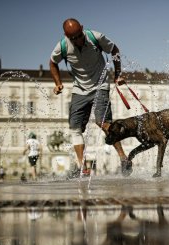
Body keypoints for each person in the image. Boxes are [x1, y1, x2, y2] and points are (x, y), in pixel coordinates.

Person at [49, 18, 132, 177]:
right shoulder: (63, 46)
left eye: (79, 36)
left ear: (82, 28)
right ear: (66, 37)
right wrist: (57, 83)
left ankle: (123, 158)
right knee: (75, 128)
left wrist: (117, 75)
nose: (77, 41)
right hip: (79, 89)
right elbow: (52, 62)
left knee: (103, 122)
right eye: (72, 39)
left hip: (100, 85)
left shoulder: (96, 37)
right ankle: (82, 167)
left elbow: (114, 49)